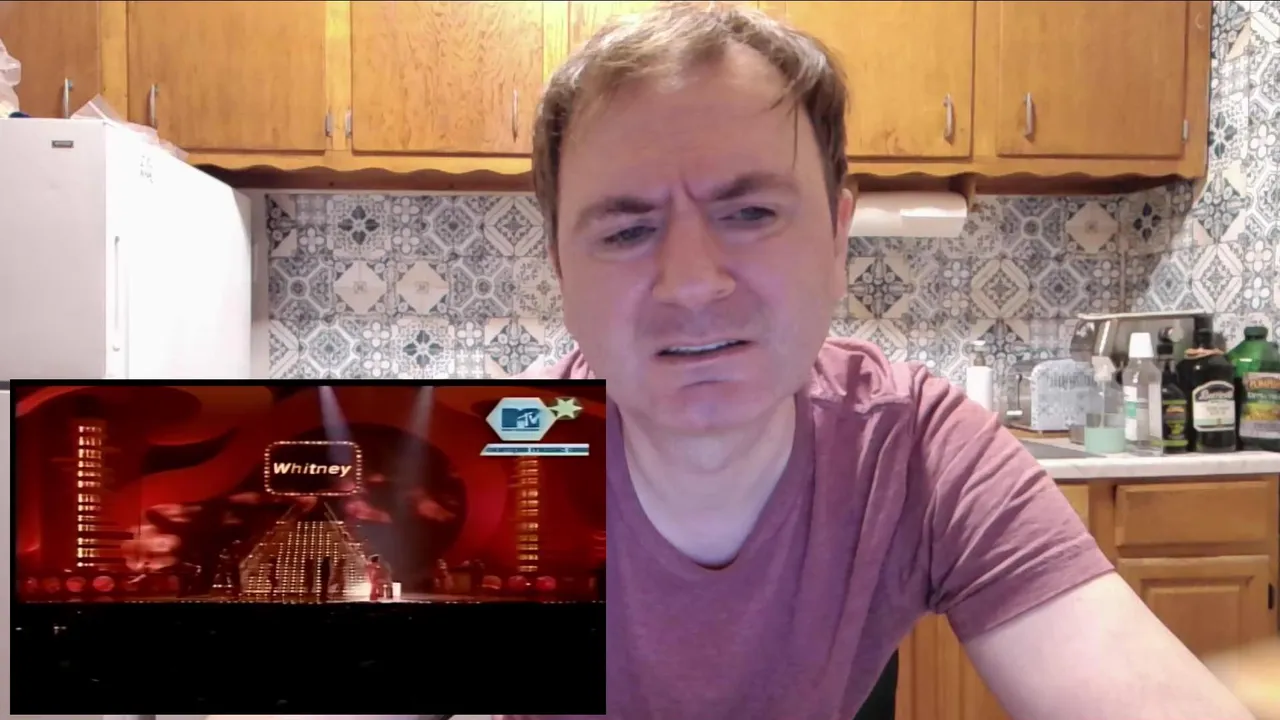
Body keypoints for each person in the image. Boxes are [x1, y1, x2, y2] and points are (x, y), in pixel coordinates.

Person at [507, 4, 1257, 720]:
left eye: (751, 213)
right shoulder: (494, 450)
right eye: (626, 230)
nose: (693, 281)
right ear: (561, 267)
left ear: (838, 236)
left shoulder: (917, 448)